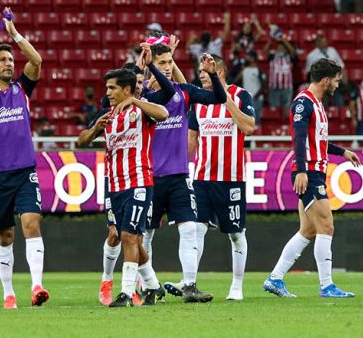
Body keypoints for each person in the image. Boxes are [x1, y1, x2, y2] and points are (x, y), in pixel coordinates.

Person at [140, 37, 229, 303]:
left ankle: (189, 285)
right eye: (162, 63)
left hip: (179, 176)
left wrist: (212, 75)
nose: (168, 67)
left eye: (170, 62)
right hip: (149, 176)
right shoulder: (142, 95)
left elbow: (218, 97)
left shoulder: (184, 92)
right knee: (145, 234)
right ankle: (146, 285)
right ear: (150, 65)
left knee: (189, 228)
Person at [263, 59, 360, 298]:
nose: (338, 84)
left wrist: (343, 152)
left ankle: (275, 278)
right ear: (326, 80)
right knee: (326, 225)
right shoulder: (303, 103)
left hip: (313, 170)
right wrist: (303, 170)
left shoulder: (316, 104)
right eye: (336, 80)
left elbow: (318, 141)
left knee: (308, 230)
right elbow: (298, 139)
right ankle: (327, 286)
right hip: (309, 173)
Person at [0, 11, 48, 310]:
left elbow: (37, 61)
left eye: (11, 61)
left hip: (24, 170)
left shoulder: (21, 90)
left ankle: (37, 285)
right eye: (3, 60)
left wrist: (14, 34)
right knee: (5, 234)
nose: (10, 64)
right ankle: (8, 294)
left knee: (31, 222)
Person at [78, 65, 171, 307]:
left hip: (139, 181)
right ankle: (152, 286)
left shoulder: (142, 111)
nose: (107, 92)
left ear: (127, 89)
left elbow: (163, 114)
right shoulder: (107, 115)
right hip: (114, 185)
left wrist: (134, 101)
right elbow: (81, 141)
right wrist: (96, 128)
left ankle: (127, 293)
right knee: (130, 238)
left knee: (129, 236)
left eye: (112, 87)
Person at [164, 55, 255, 301]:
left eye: (205, 71)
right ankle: (189, 281)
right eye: (200, 71)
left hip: (231, 179)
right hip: (202, 178)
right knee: (195, 230)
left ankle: (237, 285)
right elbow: (191, 140)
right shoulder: (200, 103)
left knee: (236, 234)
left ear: (220, 71)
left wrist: (226, 102)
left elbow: (249, 127)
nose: (201, 75)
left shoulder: (241, 96)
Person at [265, 29, 298, 119]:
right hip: (274, 88)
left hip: (287, 88)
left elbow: (293, 52)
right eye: (279, 47)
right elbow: (265, 51)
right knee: (274, 112)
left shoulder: (289, 57)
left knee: (288, 113)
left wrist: (283, 40)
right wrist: (271, 41)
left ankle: (287, 129)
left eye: (282, 48)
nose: (280, 49)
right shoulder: (272, 56)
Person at [237, 51, 266, 127]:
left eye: (248, 57)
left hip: (257, 99)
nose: (246, 58)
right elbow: (236, 80)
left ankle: (257, 137)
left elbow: (263, 85)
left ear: (253, 58)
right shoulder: (244, 70)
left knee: (255, 123)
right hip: (246, 100)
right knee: (247, 122)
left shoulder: (258, 70)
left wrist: (256, 96)